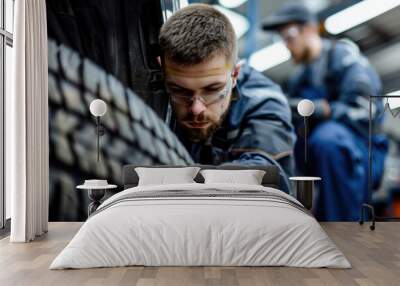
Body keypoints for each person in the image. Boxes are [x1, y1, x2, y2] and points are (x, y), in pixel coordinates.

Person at [262, 3, 388, 221]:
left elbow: (365, 110)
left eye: (290, 34)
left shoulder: (345, 58)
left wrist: (321, 109)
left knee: (327, 138)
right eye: (282, 38)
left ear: (310, 29)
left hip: (360, 150)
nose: (287, 44)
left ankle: (343, 229)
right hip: (318, 157)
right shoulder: (297, 80)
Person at [158, 4, 296, 192]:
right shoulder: (153, 96)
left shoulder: (264, 99)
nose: (196, 109)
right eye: (179, 90)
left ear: (235, 74)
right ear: (162, 71)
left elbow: (267, 174)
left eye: (212, 89)